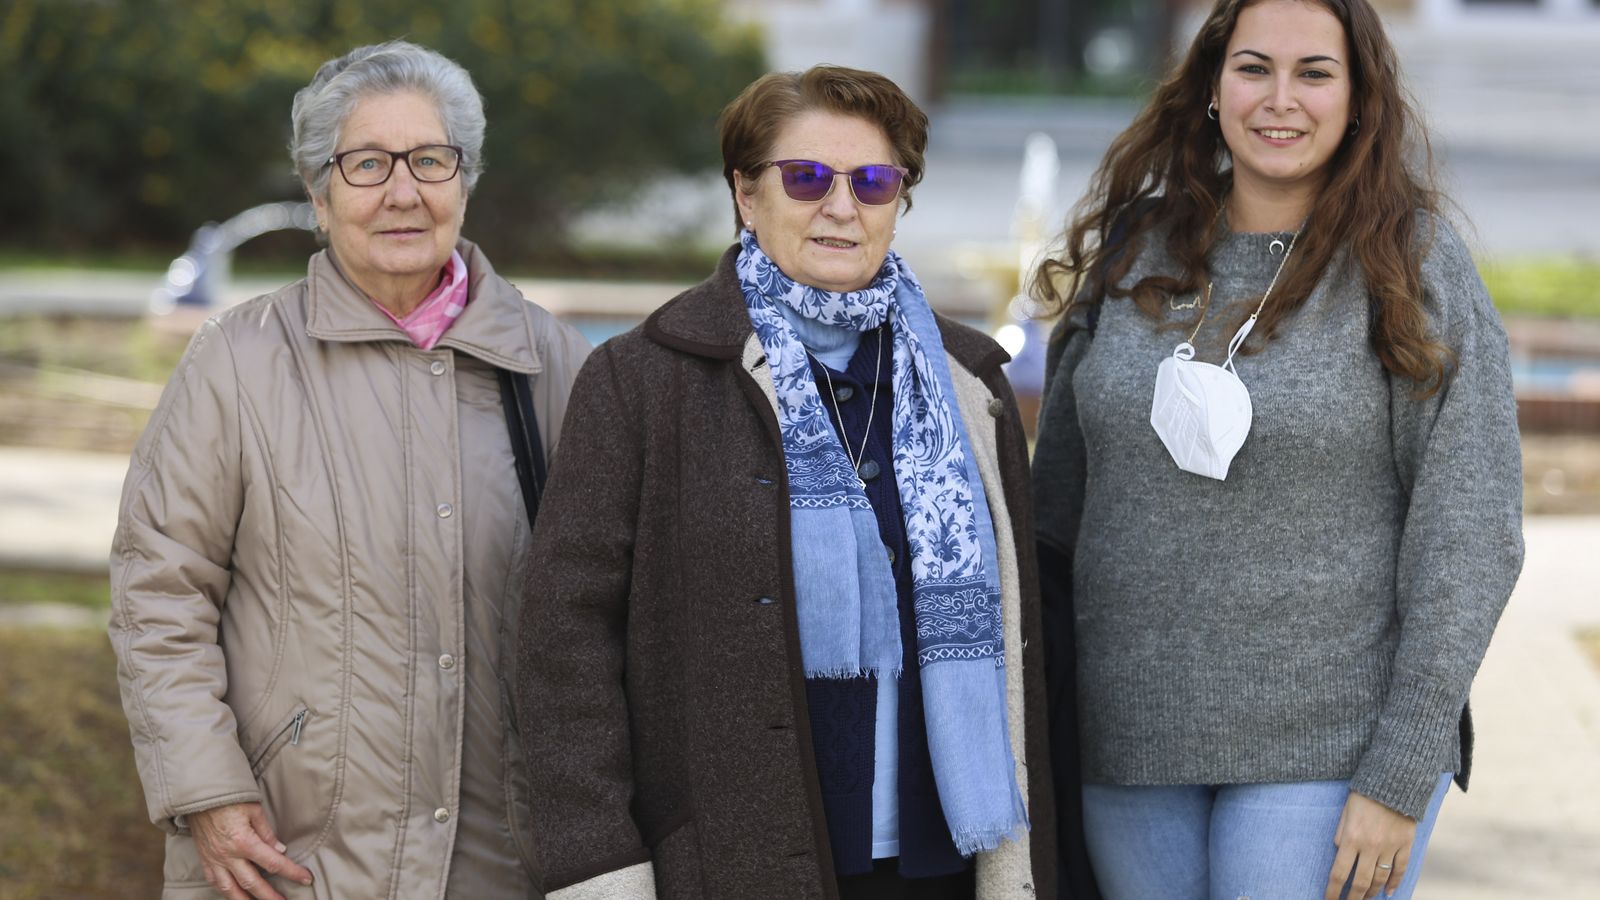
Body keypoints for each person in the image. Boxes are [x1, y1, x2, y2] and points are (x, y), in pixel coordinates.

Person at [517, 65, 1088, 899]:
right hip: (731, 859)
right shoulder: (641, 379)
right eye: (807, 177)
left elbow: (1021, 634)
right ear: (746, 194)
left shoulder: (970, 382)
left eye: (875, 181)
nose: (841, 205)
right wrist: (597, 855)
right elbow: (564, 641)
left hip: (944, 857)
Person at [1029, 0, 1524, 897]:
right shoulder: (1133, 252)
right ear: (1213, 88)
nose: (1280, 98)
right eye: (1254, 68)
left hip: (1328, 748)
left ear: (1361, 97)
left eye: (1315, 73)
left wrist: (1401, 772)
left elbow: (1470, 537)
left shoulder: (1412, 266)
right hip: (1126, 744)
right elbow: (1054, 513)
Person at [109, 41, 588, 900]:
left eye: (430, 160)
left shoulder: (547, 360)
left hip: (498, 862)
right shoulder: (239, 361)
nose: (403, 192)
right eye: (367, 163)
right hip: (284, 858)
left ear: (464, 180)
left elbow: (603, 608)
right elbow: (159, 591)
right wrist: (208, 793)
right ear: (318, 191)